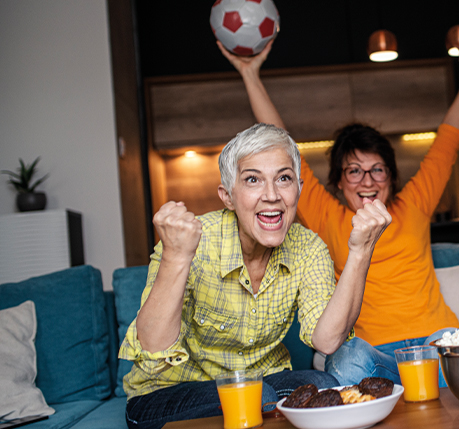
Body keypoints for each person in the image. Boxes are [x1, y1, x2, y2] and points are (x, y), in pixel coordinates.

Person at [217, 37, 459, 386]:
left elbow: (449, 139)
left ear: (391, 177)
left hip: (435, 343)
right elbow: (281, 143)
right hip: (375, 355)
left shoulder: (414, 203)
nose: (367, 180)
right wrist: (250, 74)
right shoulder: (326, 215)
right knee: (346, 359)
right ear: (339, 182)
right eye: (354, 171)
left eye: (378, 169)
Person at [120, 123, 391, 429]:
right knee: (254, 394)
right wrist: (176, 256)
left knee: (322, 383)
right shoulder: (192, 241)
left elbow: (327, 341)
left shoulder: (308, 248)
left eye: (284, 178)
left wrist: (360, 252)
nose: (272, 195)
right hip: (165, 394)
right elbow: (154, 344)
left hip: (263, 382)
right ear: (228, 197)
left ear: (298, 188)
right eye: (253, 180)